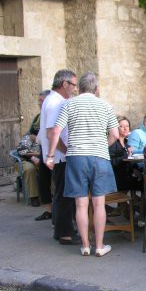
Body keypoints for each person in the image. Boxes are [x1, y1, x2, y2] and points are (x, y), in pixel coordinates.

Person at [46, 72, 119, 257]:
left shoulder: (69, 104)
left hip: (76, 156)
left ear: (80, 87)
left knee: (80, 204)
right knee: (99, 203)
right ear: (96, 88)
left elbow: (56, 131)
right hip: (99, 156)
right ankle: (100, 246)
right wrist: (103, 145)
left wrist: (50, 155)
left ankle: (85, 245)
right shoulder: (106, 106)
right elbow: (115, 135)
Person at [36, 70, 78, 250]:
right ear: (65, 84)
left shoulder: (54, 100)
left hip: (59, 156)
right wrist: (67, 150)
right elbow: (52, 132)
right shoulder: (55, 102)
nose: (75, 89)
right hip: (61, 157)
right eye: (74, 84)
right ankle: (66, 233)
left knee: (62, 194)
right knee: (65, 196)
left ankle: (60, 230)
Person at [20, 90, 50, 207]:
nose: (39, 103)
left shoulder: (51, 115)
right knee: (30, 169)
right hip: (30, 158)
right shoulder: (38, 118)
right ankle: (34, 197)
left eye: (41, 101)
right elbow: (22, 147)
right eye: (39, 101)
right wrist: (32, 157)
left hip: (45, 155)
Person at [109, 116, 142, 192]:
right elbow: (111, 162)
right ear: (116, 128)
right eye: (121, 126)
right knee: (144, 182)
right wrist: (127, 156)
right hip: (116, 177)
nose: (125, 128)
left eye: (127, 126)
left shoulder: (126, 144)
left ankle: (137, 201)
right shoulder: (112, 144)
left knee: (144, 178)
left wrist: (135, 169)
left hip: (126, 175)